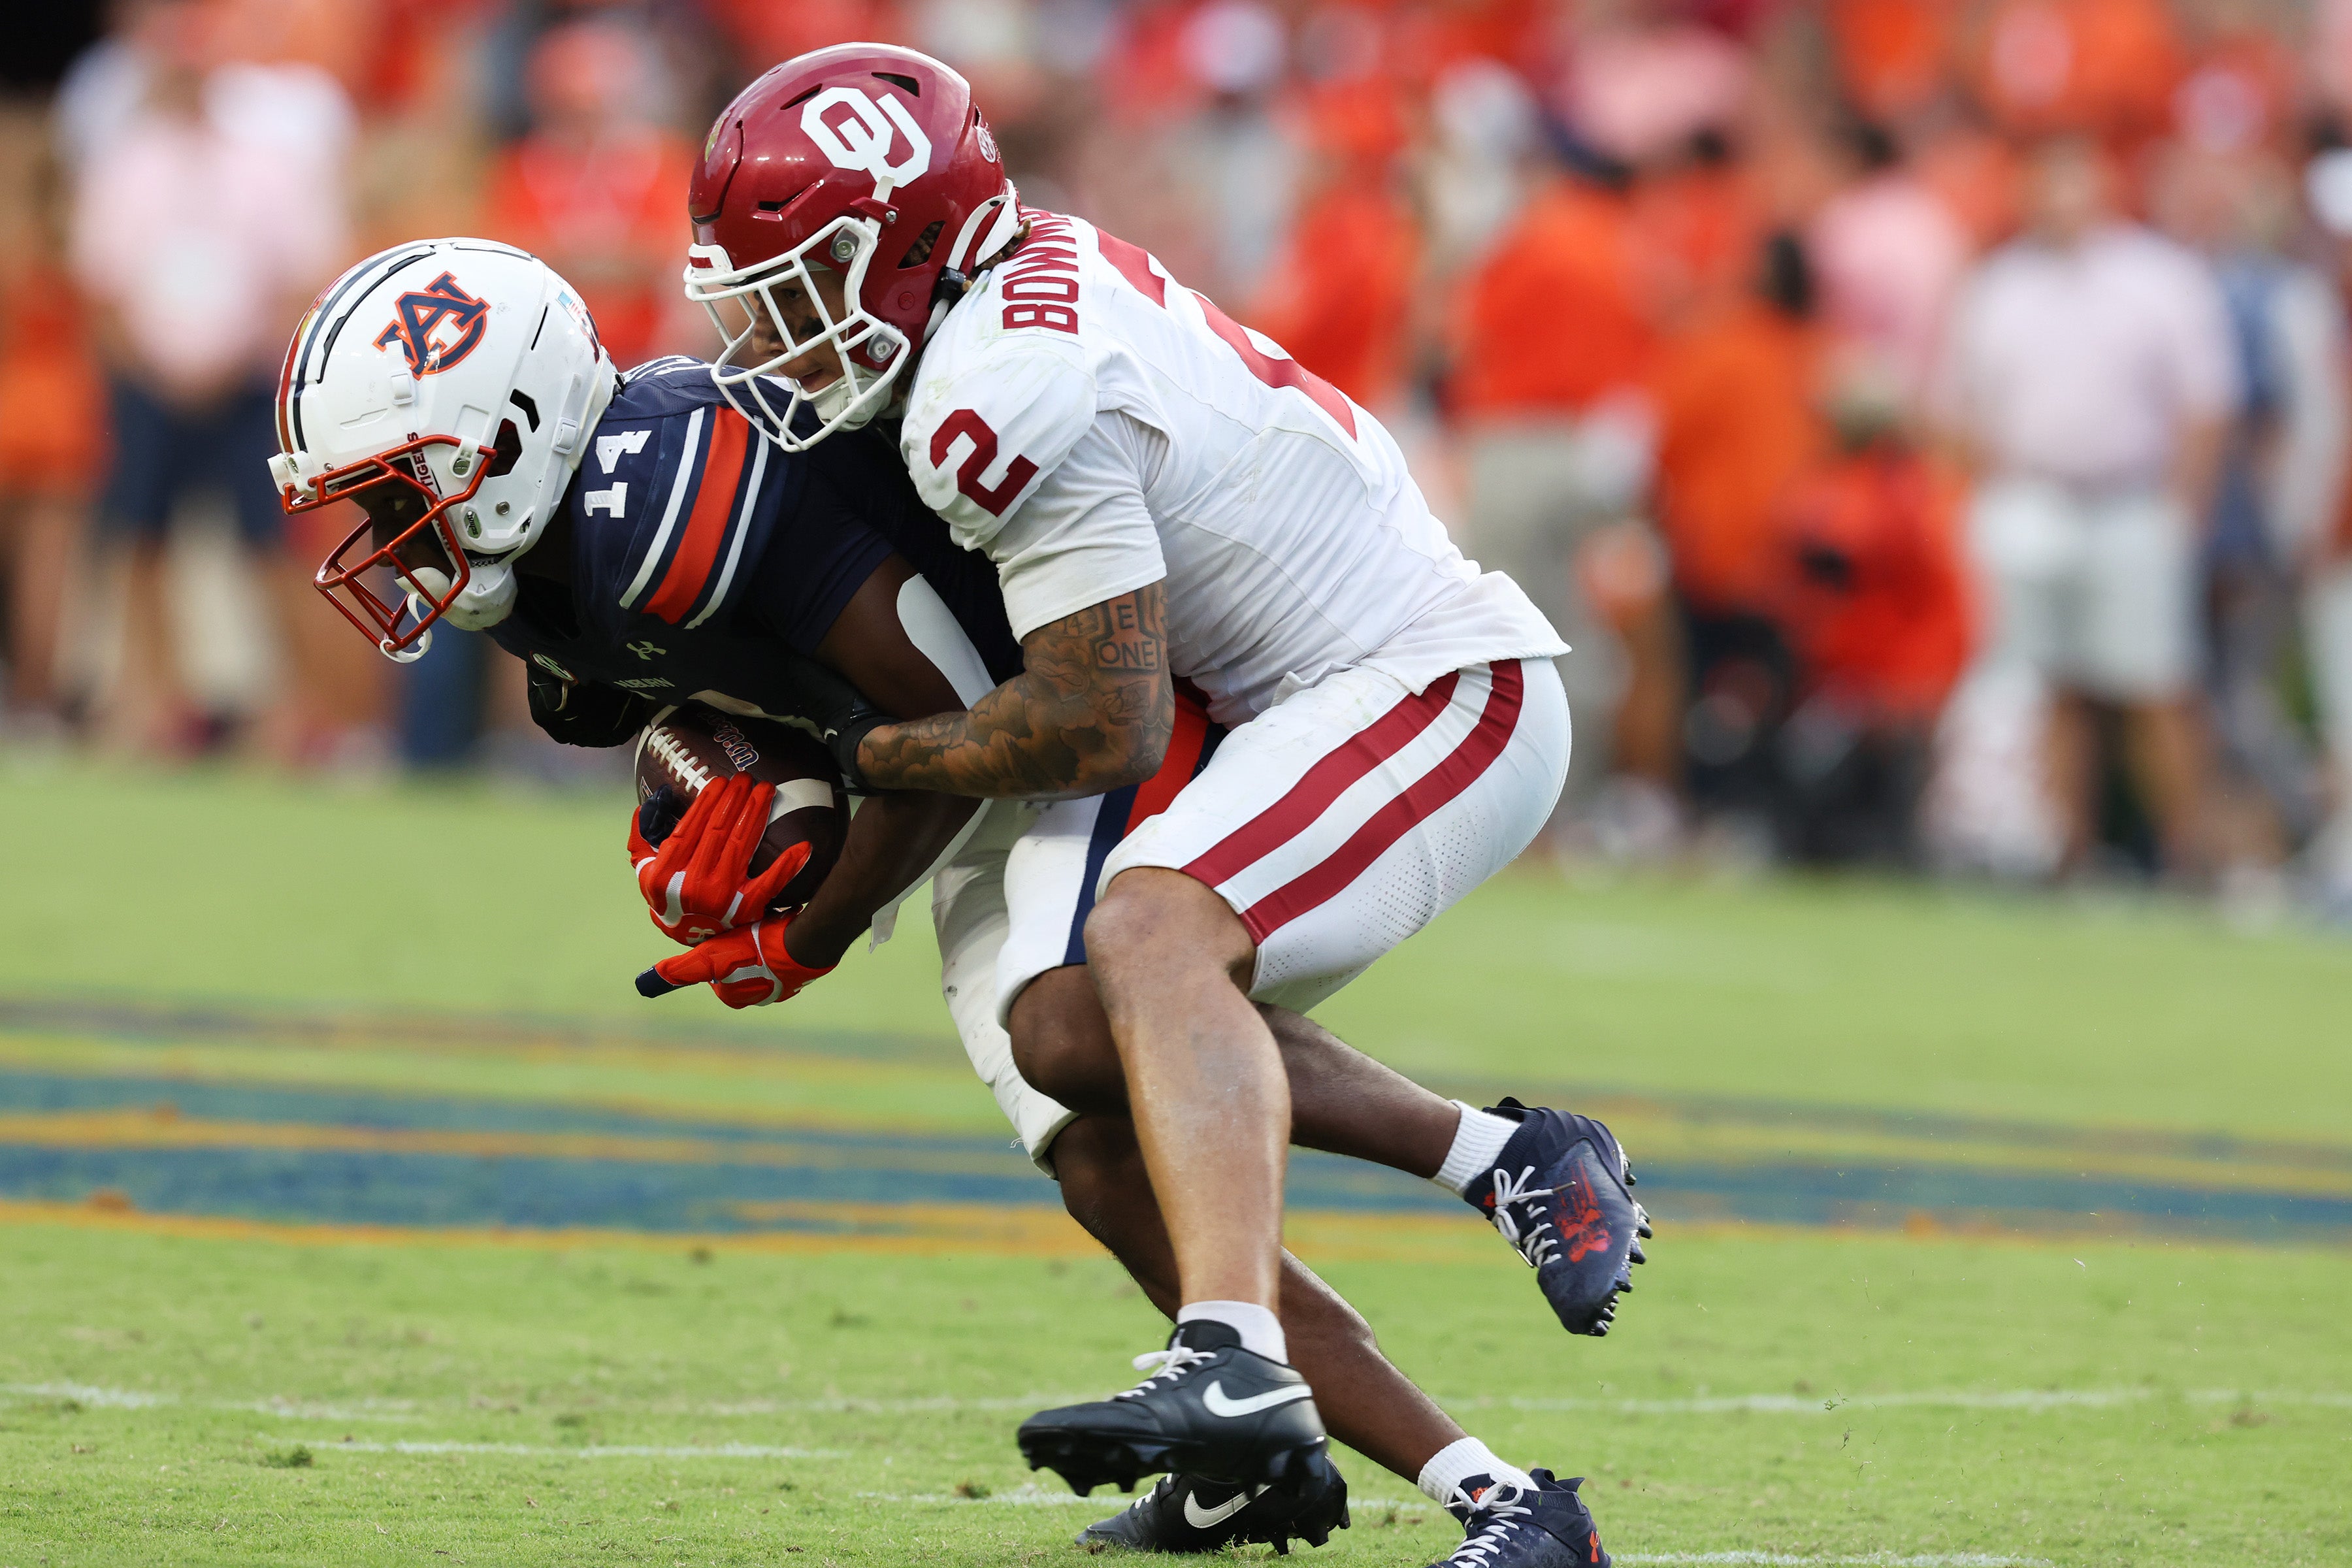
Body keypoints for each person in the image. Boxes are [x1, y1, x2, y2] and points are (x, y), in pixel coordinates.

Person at [274, 238, 1644, 1561]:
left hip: (1062, 710)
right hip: (995, 738)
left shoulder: (676, 506)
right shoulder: (554, 566)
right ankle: (1461, 1491)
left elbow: (949, 718)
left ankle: (1490, 1161)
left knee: (1074, 1025)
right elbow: (677, 692)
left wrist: (806, 928)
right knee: (1101, 1155)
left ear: (509, 444)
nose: (384, 539)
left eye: (399, 493)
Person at [682, 46, 1643, 1568]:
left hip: (1434, 685)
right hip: (1311, 695)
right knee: (1068, 1038)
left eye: (805, 287)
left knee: (1147, 934)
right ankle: (1500, 1309)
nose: (775, 336)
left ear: (912, 246)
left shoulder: (998, 387)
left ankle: (1234, 1353)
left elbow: (1101, 716)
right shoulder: (997, 295)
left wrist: (857, 763)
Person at [1936, 134, 2239, 879]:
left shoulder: (2157, 276)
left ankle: (2193, 860)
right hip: (2033, 500)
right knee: (2049, 689)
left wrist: (2185, 507)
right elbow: (1957, 404)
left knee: (2155, 685)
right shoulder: (2000, 282)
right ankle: (2065, 857)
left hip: (2130, 499)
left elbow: (2206, 403)